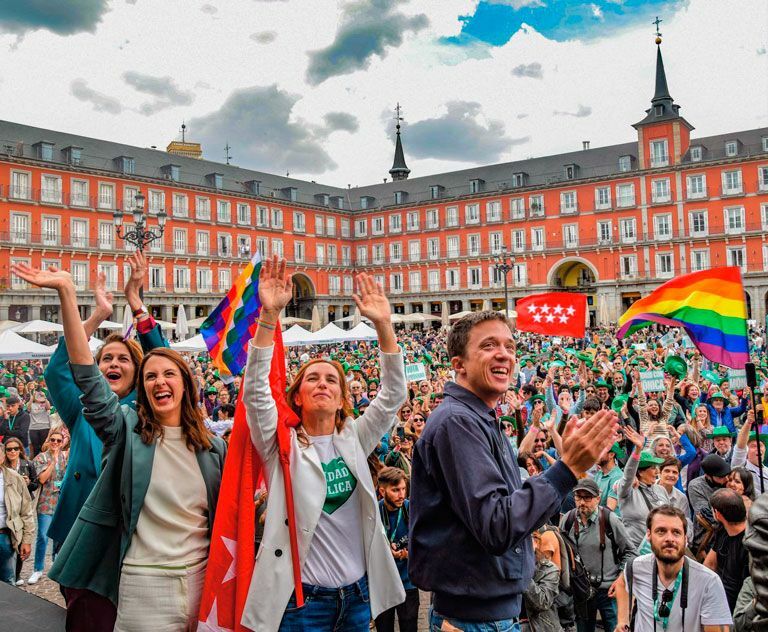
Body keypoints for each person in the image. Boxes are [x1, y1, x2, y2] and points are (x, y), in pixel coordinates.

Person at [12, 261, 226, 632]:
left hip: (179, 567)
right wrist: (88, 307)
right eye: (105, 359)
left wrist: (136, 303)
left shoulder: (187, 435)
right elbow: (69, 369)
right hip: (98, 537)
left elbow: (166, 363)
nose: (111, 363)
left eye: (123, 359)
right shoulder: (102, 416)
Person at [409, 311, 618, 629]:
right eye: (489, 345)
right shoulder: (458, 422)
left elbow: (504, 506)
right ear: (458, 365)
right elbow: (497, 525)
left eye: (510, 346)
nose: (504, 354)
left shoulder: (479, 418)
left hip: (486, 611)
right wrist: (566, 469)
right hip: (473, 618)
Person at [241, 258, 408, 631]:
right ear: (296, 396)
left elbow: (394, 393)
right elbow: (254, 392)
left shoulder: (355, 438)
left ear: (341, 396)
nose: (322, 384)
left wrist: (383, 324)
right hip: (303, 602)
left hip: (357, 598)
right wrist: (269, 316)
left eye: (331, 380)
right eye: (312, 378)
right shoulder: (279, 445)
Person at [613, 505, 733, 631]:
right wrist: (623, 620)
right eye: (661, 531)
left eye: (676, 532)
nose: (669, 539)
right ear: (648, 535)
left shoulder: (708, 581)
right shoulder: (635, 567)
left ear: (685, 538)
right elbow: (622, 583)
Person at [559, 478, 635, 632]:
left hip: (608, 591)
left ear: (598, 498)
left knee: (616, 628)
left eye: (587, 497)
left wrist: (620, 579)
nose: (582, 502)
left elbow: (631, 552)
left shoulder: (609, 519)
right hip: (581, 592)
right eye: (578, 497)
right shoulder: (568, 520)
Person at [373, 467, 419, 632]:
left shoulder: (410, 508)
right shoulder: (374, 512)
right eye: (395, 490)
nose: (401, 495)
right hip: (383, 585)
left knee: (409, 628)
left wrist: (410, 551)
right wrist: (385, 550)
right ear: (382, 490)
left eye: (403, 489)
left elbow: (423, 539)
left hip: (408, 583)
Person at [616, 427, 669, 549]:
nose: (657, 471)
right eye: (652, 468)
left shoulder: (661, 490)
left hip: (660, 549)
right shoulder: (628, 492)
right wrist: (638, 450)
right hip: (636, 551)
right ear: (640, 472)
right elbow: (628, 475)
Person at [27, 427, 67, 585]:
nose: (55, 443)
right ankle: (38, 569)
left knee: (59, 537)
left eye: (58, 440)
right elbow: (42, 479)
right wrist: (54, 460)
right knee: (43, 536)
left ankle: (56, 566)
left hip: (61, 501)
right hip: (45, 502)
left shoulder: (66, 457)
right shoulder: (41, 458)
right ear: (48, 442)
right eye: (53, 440)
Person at [703, 488, 749, 612]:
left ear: (717, 514)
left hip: (737, 607)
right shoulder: (723, 530)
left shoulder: (750, 544)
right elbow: (709, 564)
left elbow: (748, 590)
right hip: (717, 596)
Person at [0, 442, 35, 585]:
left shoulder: (15, 478)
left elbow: (26, 512)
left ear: (2, 457)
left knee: (8, 580)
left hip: (5, 536)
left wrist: (26, 540)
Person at [520, 531, 563, 632]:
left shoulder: (549, 569)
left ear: (535, 543)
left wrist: (522, 573)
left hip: (542, 626)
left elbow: (543, 602)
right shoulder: (506, 565)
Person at [27, 389, 52, 458]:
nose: (38, 396)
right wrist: (32, 398)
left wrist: (44, 397)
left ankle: (45, 460)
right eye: (37, 395)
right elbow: (28, 409)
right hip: (33, 428)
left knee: (43, 446)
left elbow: (48, 407)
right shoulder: (31, 404)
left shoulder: (45, 403)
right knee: (35, 447)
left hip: (44, 427)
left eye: (40, 395)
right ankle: (36, 462)